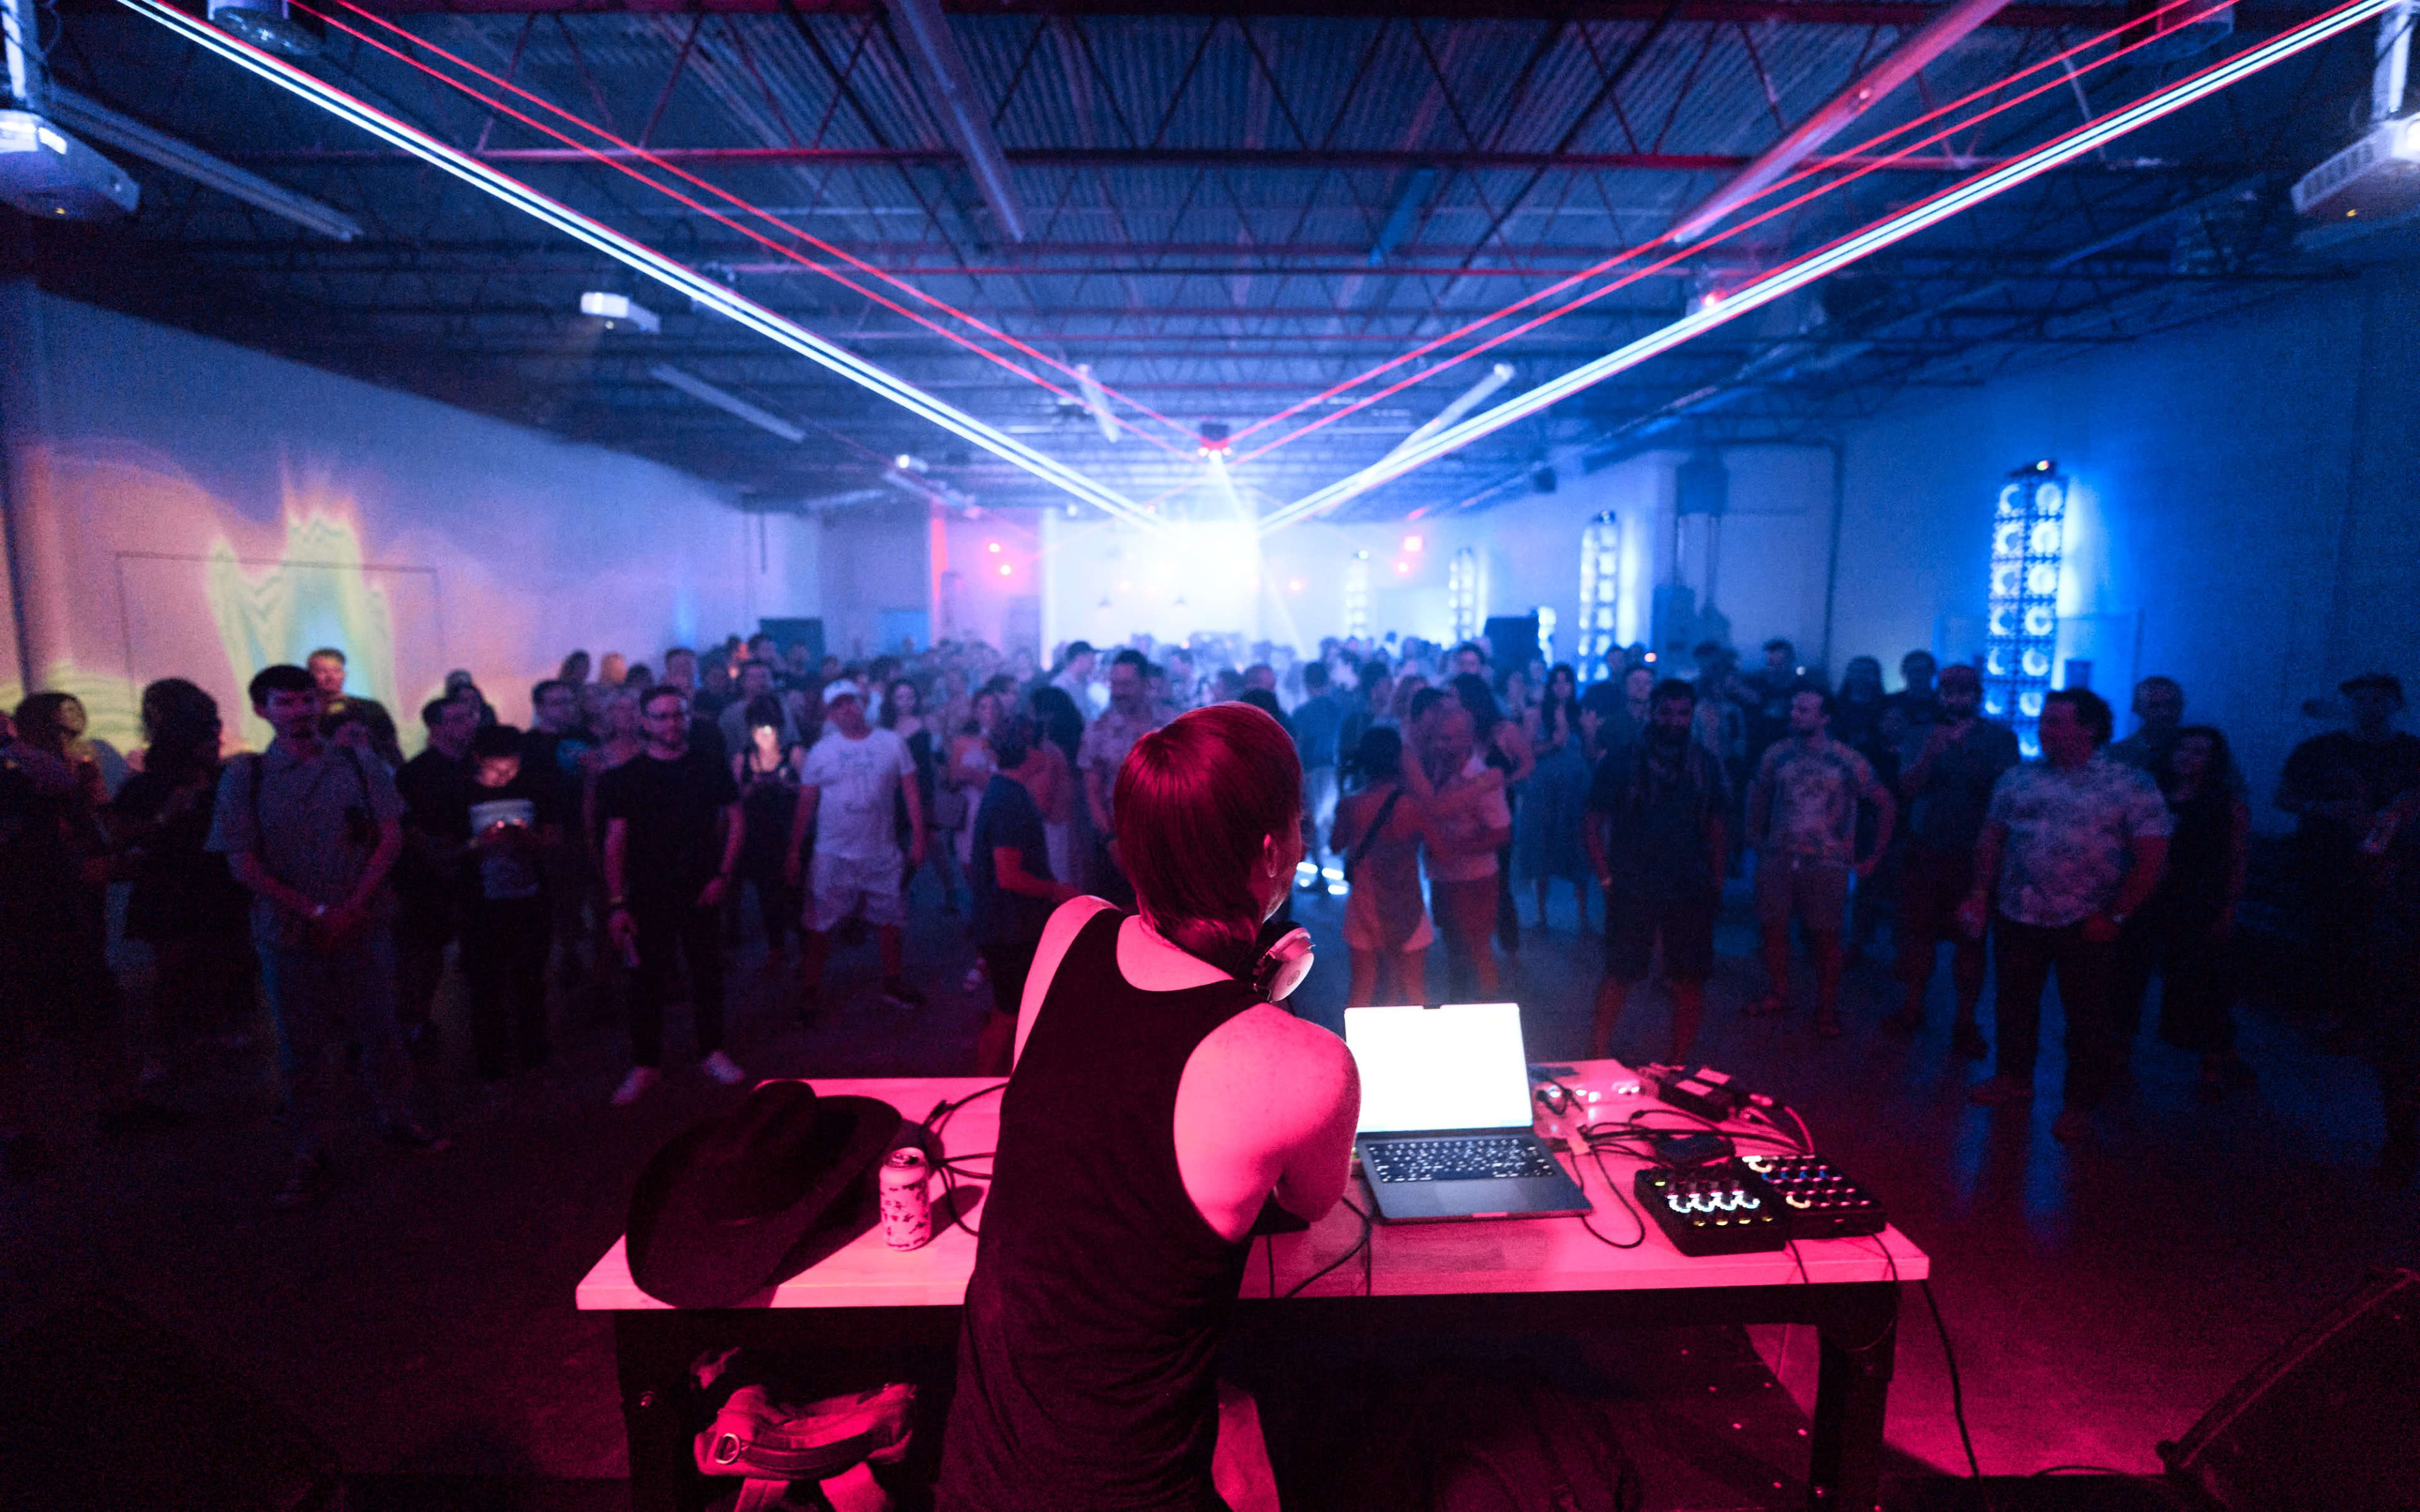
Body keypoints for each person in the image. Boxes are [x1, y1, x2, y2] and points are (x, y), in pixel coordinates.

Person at [936, 703, 1359, 1512]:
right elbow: (1307, 1201)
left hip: (980, 1468)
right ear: (1273, 851)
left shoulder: (1071, 931)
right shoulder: (1309, 1065)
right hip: (1132, 1488)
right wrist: (1265, 1009)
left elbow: (1120, 1068)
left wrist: (1250, 990)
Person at [207, 665, 441, 1208]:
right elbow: (242, 863)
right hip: (289, 933)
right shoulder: (247, 775)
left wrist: (353, 904)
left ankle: (397, 1118)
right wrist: (316, 911)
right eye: (285, 703)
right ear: (263, 711)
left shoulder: (360, 762)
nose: (299, 712)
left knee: (382, 1029)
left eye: (306, 701)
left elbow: (390, 835)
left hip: (362, 922)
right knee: (301, 1048)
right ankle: (310, 1147)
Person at [1960, 688, 2172, 1143]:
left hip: (2087, 917)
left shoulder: (2130, 784)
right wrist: (1980, 893)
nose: (2044, 728)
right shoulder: (2018, 779)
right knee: (2014, 1003)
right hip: (2020, 910)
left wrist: (2116, 915)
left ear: (2090, 727)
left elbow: (2152, 857)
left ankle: (2080, 1103)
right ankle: (2014, 1078)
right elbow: (1991, 840)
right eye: (2044, 720)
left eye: (2056, 721)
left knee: (2087, 1016)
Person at [598, 684, 749, 1106]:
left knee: (707, 972)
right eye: (661, 716)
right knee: (644, 981)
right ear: (644, 722)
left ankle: (712, 1051)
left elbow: (736, 821)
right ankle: (646, 1063)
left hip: (702, 886)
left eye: (677, 715)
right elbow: (615, 842)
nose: (671, 724)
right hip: (648, 892)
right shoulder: (624, 778)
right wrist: (616, 903)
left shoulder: (709, 766)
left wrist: (723, 874)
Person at [110, 679, 256, 1079]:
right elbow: (122, 833)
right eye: (208, 729)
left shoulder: (223, 779)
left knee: (216, 961)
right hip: (175, 883)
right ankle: (159, 1050)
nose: (217, 736)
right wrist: (165, 817)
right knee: (178, 968)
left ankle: (199, 1036)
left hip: (206, 880)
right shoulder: (154, 783)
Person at [1586, 679, 1730, 1065]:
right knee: (1620, 970)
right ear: (1652, 711)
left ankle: (1678, 1063)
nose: (1674, 721)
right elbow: (1592, 819)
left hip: (1689, 883)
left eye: (1683, 713)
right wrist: (1605, 876)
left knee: (1688, 977)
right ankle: (1599, 1055)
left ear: (1692, 715)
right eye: (1666, 712)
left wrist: (1716, 880)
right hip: (1634, 881)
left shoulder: (1705, 764)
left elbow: (1717, 824)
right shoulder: (1621, 760)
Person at [1882, 663, 2017, 1057]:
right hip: (1926, 849)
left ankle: (1965, 1021)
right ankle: (1912, 1007)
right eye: (1949, 691)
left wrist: (1963, 752)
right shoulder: (1920, 734)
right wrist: (1931, 751)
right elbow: (1907, 787)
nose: (1955, 698)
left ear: (1978, 695)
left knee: (1971, 940)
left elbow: (2004, 791)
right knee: (1918, 934)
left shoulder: (2000, 738)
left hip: (1975, 853)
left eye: (1964, 691)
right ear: (1940, 694)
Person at [2107, 726, 2251, 1098]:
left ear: (2214, 760)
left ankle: (2213, 1062)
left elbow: (2237, 859)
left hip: (2198, 899)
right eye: (2184, 749)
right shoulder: (2151, 796)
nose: (2189, 757)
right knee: (2128, 974)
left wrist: (2229, 908)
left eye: (2200, 751)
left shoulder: (2227, 802)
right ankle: (2117, 1053)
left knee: (2202, 981)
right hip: (2148, 894)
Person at [2274, 674, 2420, 1041]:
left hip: (2393, 863)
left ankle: (2365, 1017)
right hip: (2326, 861)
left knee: (2377, 939)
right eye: (2361, 699)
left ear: (2396, 705)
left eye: (2380, 699)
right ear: (2348, 705)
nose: (2370, 706)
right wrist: (2321, 807)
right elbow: (2284, 798)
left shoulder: (2414, 752)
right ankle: (2328, 1010)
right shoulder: (2318, 749)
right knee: (2327, 934)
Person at [1744, 689, 1896, 1036]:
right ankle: (1778, 993)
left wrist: (1874, 856)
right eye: (1794, 708)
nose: (1796, 714)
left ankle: (1827, 1009)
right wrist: (1754, 835)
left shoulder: (1847, 759)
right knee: (1774, 928)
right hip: (1781, 854)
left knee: (1827, 937)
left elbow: (1885, 802)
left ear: (1825, 717)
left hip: (1828, 860)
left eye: (1805, 709)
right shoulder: (1778, 754)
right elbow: (1758, 790)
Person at [790, 681, 927, 1019]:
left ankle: (892, 982)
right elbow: (806, 803)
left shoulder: (893, 743)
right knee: (819, 922)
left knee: (890, 918)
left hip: (882, 849)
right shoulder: (821, 751)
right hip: (832, 853)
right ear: (830, 714)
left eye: (852, 703)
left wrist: (920, 837)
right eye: (839, 706)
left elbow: (911, 792)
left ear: (863, 704)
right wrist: (794, 850)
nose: (847, 710)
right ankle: (810, 988)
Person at [967, 716, 1080, 1075]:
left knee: (1013, 1007)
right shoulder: (1010, 801)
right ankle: (977, 1084)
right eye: (1041, 745)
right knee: (1009, 1011)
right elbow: (1009, 874)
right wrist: (1057, 889)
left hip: (1006, 925)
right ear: (1028, 752)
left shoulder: (1004, 793)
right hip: (1011, 926)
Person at [456, 724, 563, 1086]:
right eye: (497, 768)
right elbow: (445, 850)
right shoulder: (462, 791)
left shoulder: (536, 786)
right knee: (486, 984)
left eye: (512, 768)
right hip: (479, 905)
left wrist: (528, 839)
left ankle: (534, 1048)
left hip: (530, 898)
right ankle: (492, 1059)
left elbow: (554, 838)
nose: (505, 775)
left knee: (530, 977)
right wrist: (479, 843)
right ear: (479, 760)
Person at [393, 696, 480, 1061]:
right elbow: (405, 825)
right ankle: (417, 1017)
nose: (469, 724)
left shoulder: (479, 765)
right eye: (458, 719)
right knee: (427, 950)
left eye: (470, 716)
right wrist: (435, 853)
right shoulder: (416, 772)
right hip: (433, 873)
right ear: (436, 727)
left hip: (476, 865)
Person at [1330, 726, 1432, 1008]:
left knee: (1362, 986)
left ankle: (1353, 1050)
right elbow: (1440, 848)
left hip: (1365, 904)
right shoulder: (1413, 805)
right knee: (1413, 987)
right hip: (1408, 904)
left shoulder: (1352, 805)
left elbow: (1336, 845)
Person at [1424, 703, 1513, 998]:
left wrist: (1452, 848)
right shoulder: (1435, 772)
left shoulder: (1483, 778)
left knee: (1478, 950)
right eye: (1437, 737)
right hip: (1445, 877)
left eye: (1448, 738)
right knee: (1453, 947)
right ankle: (1458, 1005)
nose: (1440, 745)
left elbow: (1502, 833)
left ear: (1467, 740)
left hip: (1476, 879)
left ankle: (1488, 1013)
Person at [1079, 650, 1167, 907]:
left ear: (1146, 683)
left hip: (1167, 842)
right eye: (1115, 684)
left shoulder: (1170, 723)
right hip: (1118, 845)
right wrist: (1110, 840)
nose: (1118, 691)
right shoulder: (1097, 729)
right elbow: (1092, 792)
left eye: (1126, 684)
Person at [1515, 664, 1593, 931]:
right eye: (1557, 682)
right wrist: (1553, 744)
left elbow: (1589, 753)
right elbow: (1525, 751)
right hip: (1545, 789)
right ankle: (1541, 915)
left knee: (1578, 848)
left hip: (1575, 788)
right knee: (1543, 847)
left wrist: (1590, 733)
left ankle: (1583, 917)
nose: (1561, 687)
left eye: (1566, 682)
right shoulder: (1537, 714)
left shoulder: (1580, 714)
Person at [730, 695, 802, 956]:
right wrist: (753, 787)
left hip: (789, 830)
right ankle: (777, 950)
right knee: (767, 894)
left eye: (769, 724)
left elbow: (810, 792)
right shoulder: (743, 757)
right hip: (759, 834)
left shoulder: (794, 752)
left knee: (796, 892)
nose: (765, 730)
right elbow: (733, 797)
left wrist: (784, 785)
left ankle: (805, 951)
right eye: (759, 724)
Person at [1291, 661, 1345, 884]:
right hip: (1333, 771)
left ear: (1306, 683)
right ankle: (1345, 866)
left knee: (1312, 823)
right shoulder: (1337, 709)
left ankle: (1321, 876)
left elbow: (1300, 743)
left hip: (1312, 771)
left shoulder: (1303, 712)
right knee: (1331, 822)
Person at [305, 646, 402, 767]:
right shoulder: (305, 713)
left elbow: (391, 751)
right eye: (322, 672)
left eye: (337, 671)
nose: (331, 677)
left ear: (344, 674)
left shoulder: (370, 708)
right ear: (309, 675)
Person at [2106, 676, 2187, 774]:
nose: (2165, 712)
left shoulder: (2196, 750)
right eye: (2154, 706)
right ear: (2137, 709)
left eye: (2171, 704)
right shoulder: (2118, 754)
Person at [716, 660, 793, 759]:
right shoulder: (730, 715)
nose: (761, 682)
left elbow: (792, 742)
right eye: (753, 678)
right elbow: (729, 753)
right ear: (742, 682)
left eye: (765, 677)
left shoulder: (784, 708)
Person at [1048, 640, 1098, 713]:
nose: (1094, 665)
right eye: (1091, 661)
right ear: (1080, 658)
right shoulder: (1060, 686)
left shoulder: (1085, 682)